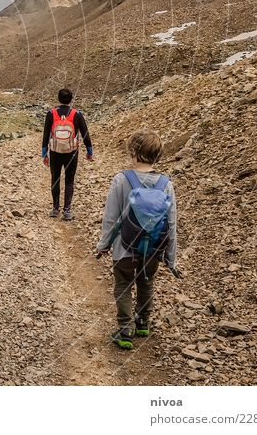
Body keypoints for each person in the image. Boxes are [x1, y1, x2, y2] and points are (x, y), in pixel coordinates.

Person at [96, 129, 178, 350]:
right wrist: (171, 258)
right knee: (146, 282)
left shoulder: (121, 180)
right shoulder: (166, 184)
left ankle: (124, 330)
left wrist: (103, 245)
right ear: (158, 155)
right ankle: (143, 322)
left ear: (133, 152)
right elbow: (171, 224)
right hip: (152, 249)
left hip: (124, 248)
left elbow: (111, 217)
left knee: (123, 285)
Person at [41, 88, 93, 220]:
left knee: (55, 179)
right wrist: (89, 151)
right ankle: (67, 210)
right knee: (69, 181)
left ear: (58, 99)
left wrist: (44, 153)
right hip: (72, 153)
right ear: (71, 99)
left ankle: (55, 208)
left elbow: (46, 134)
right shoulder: (77, 114)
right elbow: (85, 133)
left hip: (55, 152)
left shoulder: (51, 113)